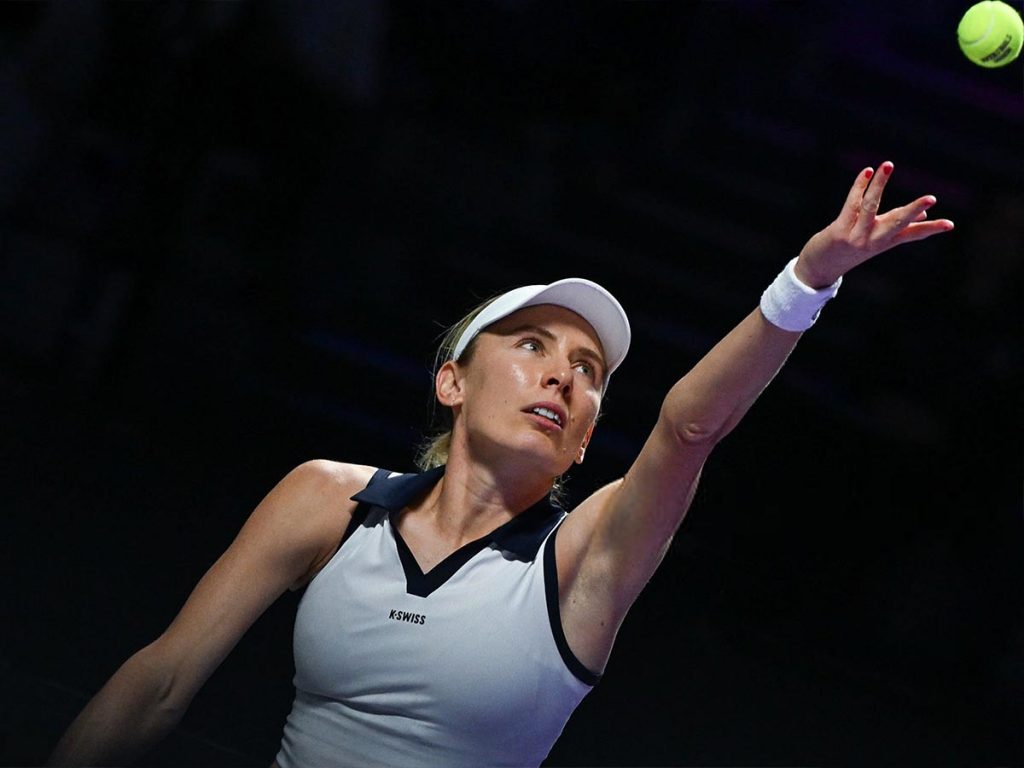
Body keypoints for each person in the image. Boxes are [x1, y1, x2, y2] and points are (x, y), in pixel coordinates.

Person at [48, 161, 953, 767]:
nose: (563, 374)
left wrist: (805, 283)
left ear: (586, 437)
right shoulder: (327, 499)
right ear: (452, 381)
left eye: (588, 371)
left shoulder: (584, 559)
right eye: (531, 345)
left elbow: (686, 429)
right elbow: (161, 682)